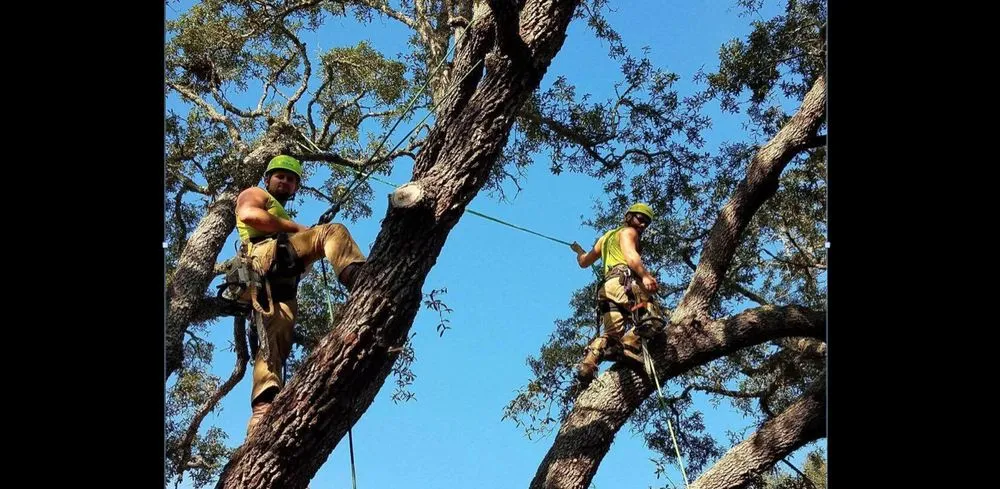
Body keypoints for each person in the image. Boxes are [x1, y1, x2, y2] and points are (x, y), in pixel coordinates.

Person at [234, 154, 367, 436]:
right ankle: (360, 279)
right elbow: (248, 215)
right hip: (264, 257)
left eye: (291, 179)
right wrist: (300, 229)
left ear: (296, 188)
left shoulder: (281, 215)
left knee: (274, 340)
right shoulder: (255, 193)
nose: (285, 181)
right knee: (331, 232)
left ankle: (262, 412)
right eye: (280, 176)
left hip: (280, 282)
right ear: (267, 179)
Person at [570, 203, 666, 386]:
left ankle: (589, 363)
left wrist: (579, 252)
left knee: (612, 335)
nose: (643, 225)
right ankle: (629, 348)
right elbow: (631, 256)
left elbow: (584, 262)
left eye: (646, 222)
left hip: (607, 289)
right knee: (653, 319)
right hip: (625, 283)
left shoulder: (606, 237)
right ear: (629, 217)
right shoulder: (629, 232)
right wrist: (645, 276)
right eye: (640, 218)